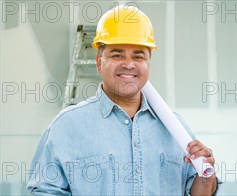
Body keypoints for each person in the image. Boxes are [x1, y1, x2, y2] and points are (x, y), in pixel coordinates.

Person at [27, 5, 218, 195]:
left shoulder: (176, 129)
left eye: (138, 56)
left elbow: (199, 193)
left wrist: (206, 177)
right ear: (99, 63)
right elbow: (44, 191)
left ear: (148, 63)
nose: (128, 64)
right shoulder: (67, 126)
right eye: (117, 55)